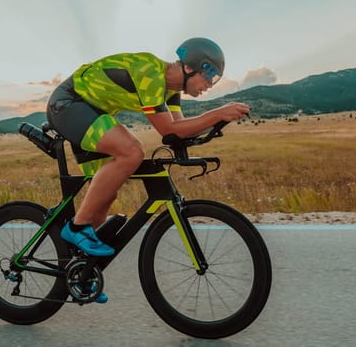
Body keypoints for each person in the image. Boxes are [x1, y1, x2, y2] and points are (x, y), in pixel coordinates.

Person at [46, 37, 250, 302]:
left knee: (107, 194)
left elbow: (179, 130)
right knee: (131, 151)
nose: (209, 86)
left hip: (93, 112)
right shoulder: (151, 73)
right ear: (190, 67)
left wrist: (214, 127)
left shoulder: (171, 91)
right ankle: (76, 227)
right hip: (69, 104)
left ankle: (83, 271)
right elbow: (167, 129)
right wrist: (218, 112)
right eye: (210, 77)